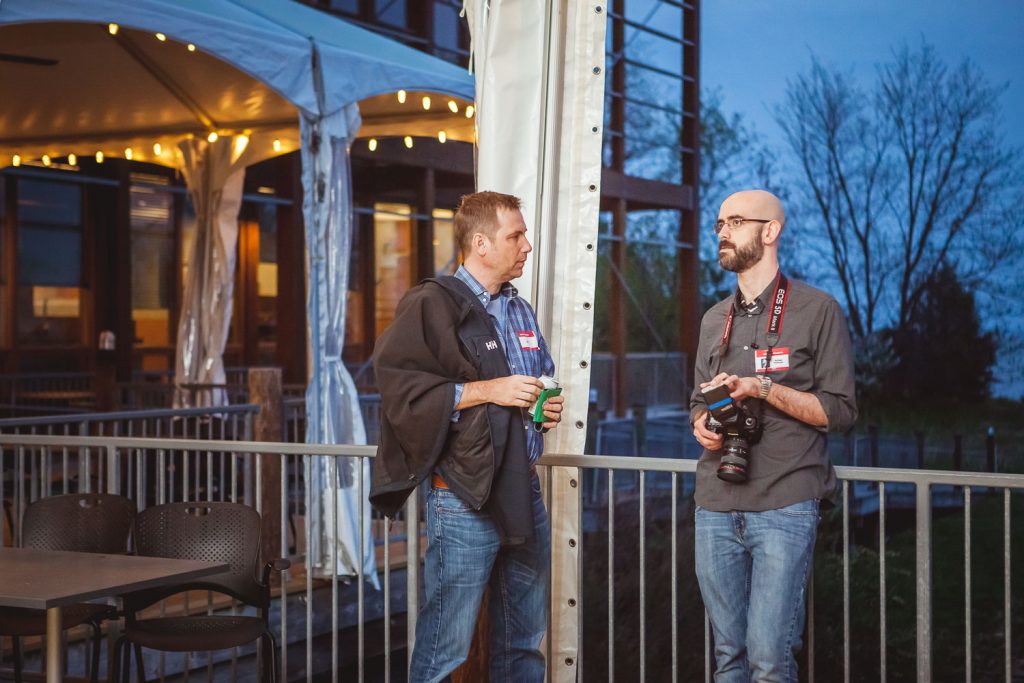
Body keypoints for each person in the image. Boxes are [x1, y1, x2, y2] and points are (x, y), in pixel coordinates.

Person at [370, 190, 564, 683]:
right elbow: (402, 388)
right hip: (461, 500)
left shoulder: (519, 310)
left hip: (524, 491)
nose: (527, 245)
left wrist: (540, 411)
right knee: (444, 650)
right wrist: (490, 391)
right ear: (480, 243)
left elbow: (537, 375)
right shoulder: (430, 303)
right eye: (515, 235)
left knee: (523, 644)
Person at [689, 189, 857, 682]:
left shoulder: (817, 309)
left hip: (786, 502)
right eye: (719, 222)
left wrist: (763, 388)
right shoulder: (712, 319)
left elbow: (841, 411)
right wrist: (703, 423)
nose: (723, 232)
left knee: (769, 660)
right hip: (715, 503)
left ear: (770, 231)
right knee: (728, 657)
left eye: (736, 221)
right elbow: (698, 402)